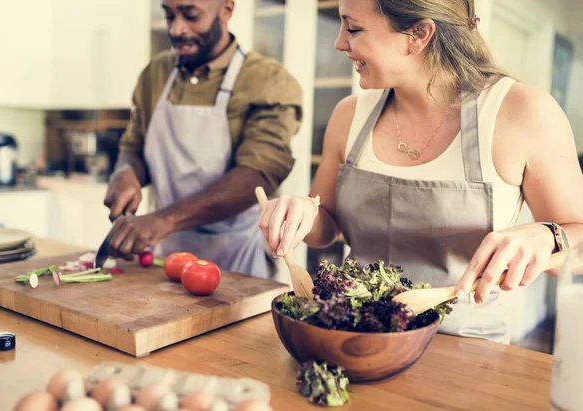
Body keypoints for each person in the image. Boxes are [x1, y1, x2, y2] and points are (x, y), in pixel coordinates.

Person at [258, 0, 583, 343]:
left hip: (469, 348)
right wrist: (303, 212)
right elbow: (325, 227)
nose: (340, 42)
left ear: (418, 34)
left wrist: (549, 236)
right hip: (360, 338)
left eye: (353, 28)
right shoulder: (348, 114)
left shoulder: (522, 112)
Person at [103, 0, 302, 278]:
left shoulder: (267, 81)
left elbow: (257, 174)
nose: (176, 29)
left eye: (190, 15)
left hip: (239, 259)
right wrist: (127, 172)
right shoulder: (156, 74)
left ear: (226, 10)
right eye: (169, 15)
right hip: (167, 256)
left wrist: (163, 219)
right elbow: (134, 144)